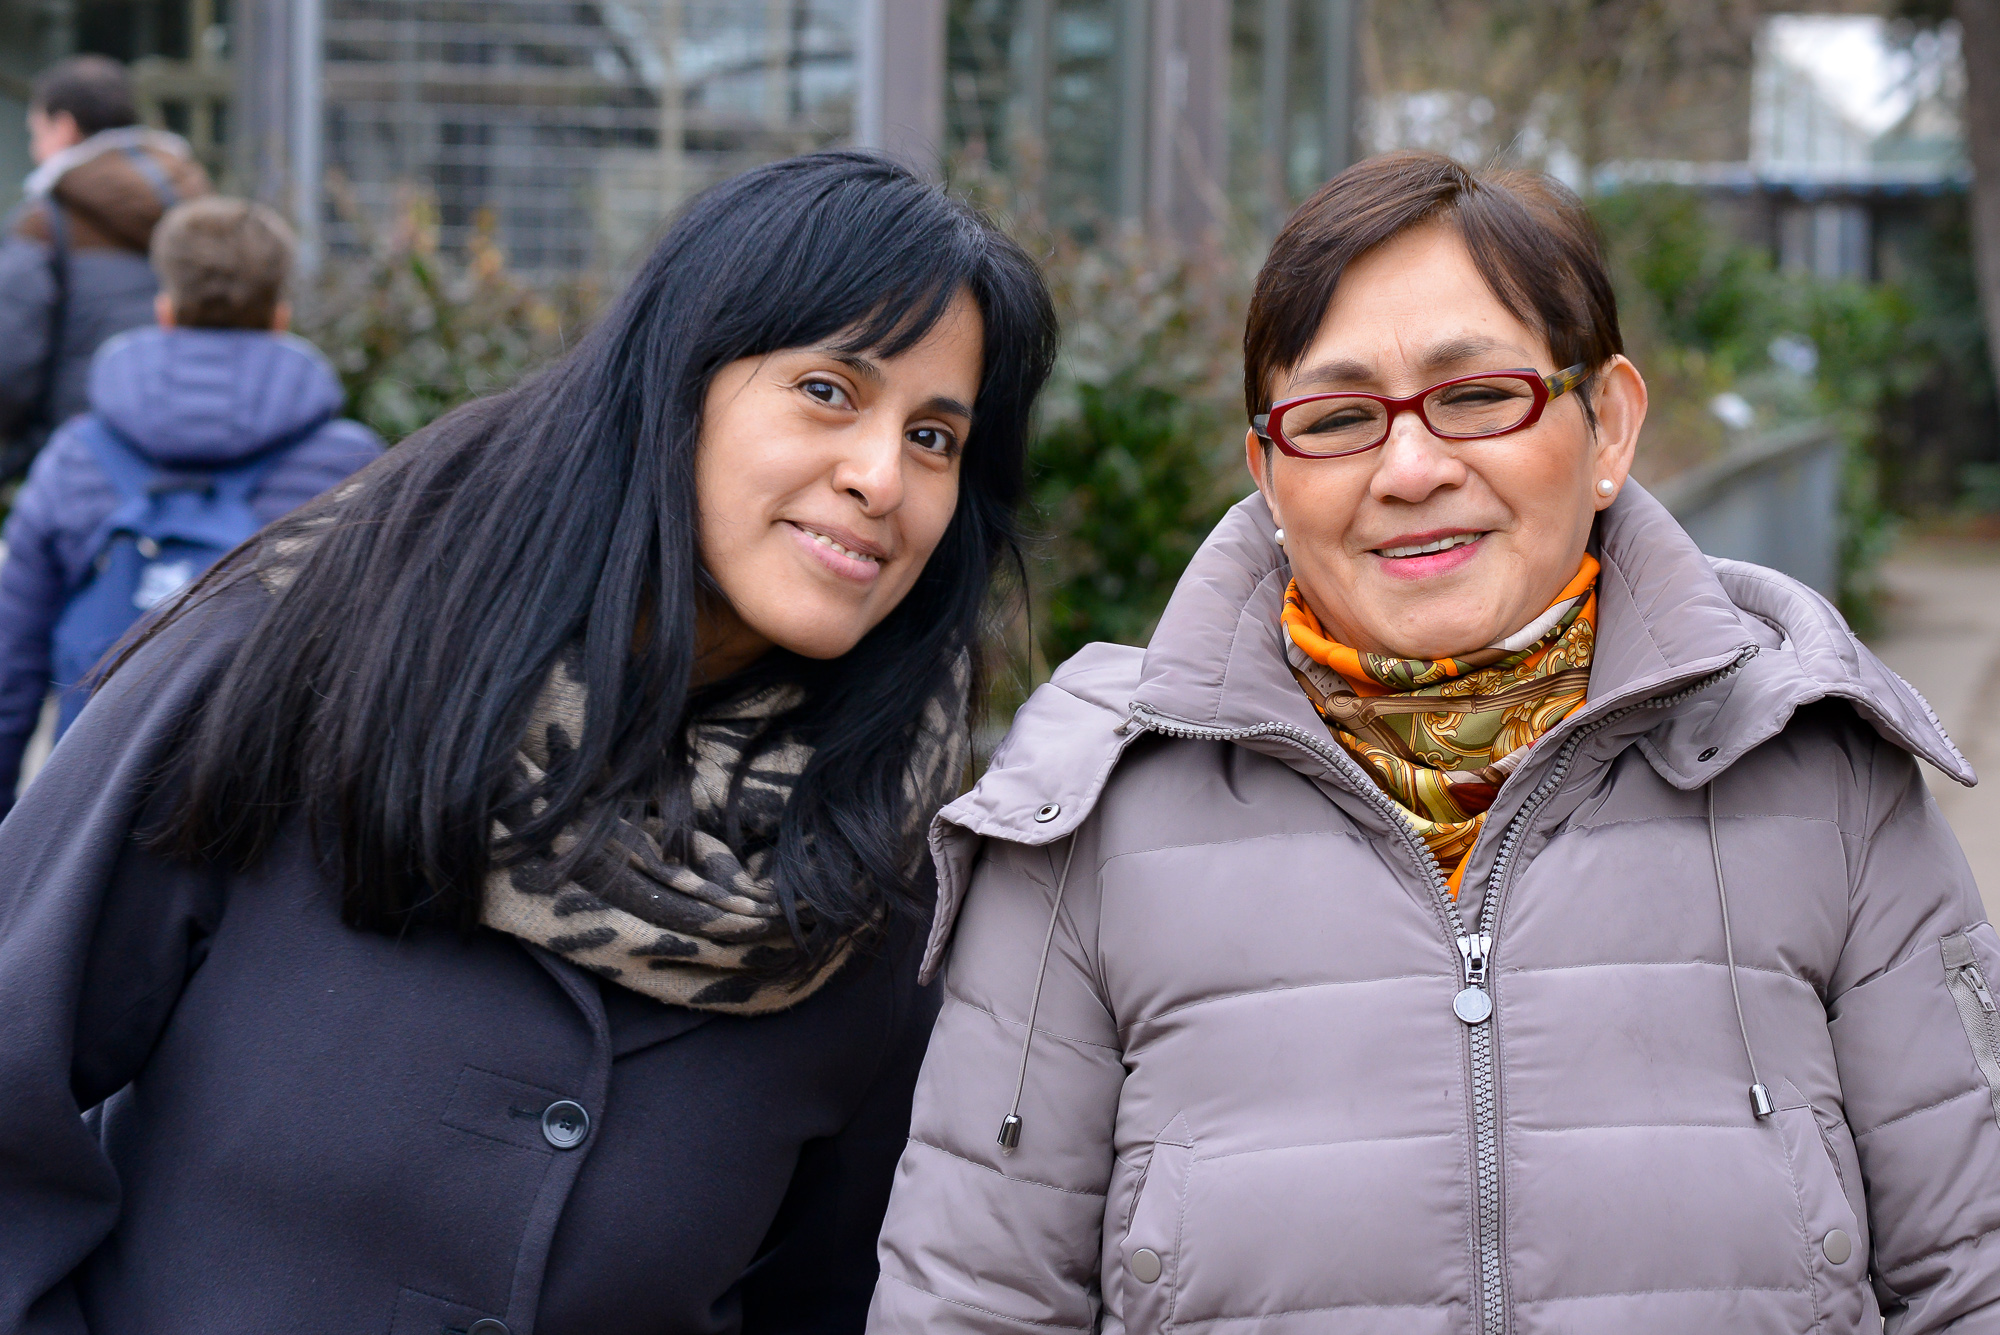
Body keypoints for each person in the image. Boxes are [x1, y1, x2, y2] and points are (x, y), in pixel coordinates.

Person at [870, 151, 2000, 1335]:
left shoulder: (1819, 778)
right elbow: (971, 1304)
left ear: (1607, 426)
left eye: (1475, 397)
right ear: (1267, 475)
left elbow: (1973, 1273)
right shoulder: (1082, 817)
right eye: (1336, 419)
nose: (1409, 469)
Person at [0, 150, 1057, 1333]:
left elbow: (830, 1301)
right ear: (675, 380)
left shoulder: (873, 874)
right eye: (827, 390)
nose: (880, 477)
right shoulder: (302, 660)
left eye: (934, 438)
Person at [0, 196, 382, 815]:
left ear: (165, 309)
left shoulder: (77, 456)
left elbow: (10, 666)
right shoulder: (348, 466)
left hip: (94, 817)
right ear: (280, 316)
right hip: (273, 820)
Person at [0, 55, 211, 479]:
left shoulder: (45, 222)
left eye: (36, 132)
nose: (35, 149)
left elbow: (11, 357)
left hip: (79, 454)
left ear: (64, 127)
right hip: (195, 445)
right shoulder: (198, 204)